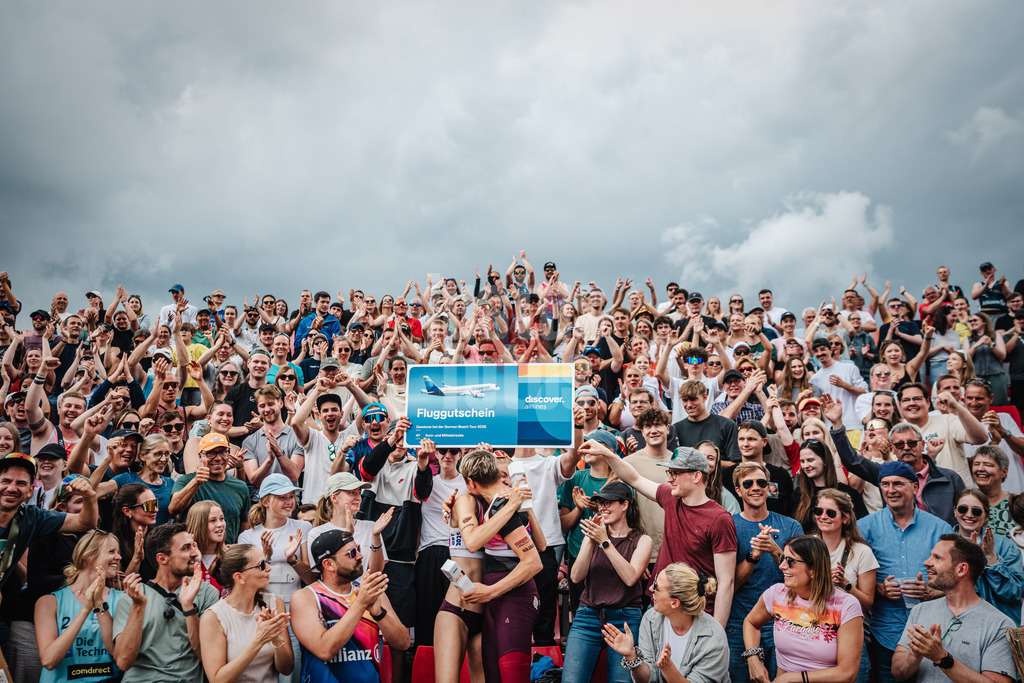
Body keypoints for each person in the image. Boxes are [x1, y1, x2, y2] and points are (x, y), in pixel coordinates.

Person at [587, 442, 737, 627]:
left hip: (695, 611)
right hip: (658, 605)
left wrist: (717, 630)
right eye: (669, 473)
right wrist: (606, 453)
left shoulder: (720, 518)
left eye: (676, 473)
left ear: (697, 476)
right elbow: (633, 478)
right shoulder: (670, 497)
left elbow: (726, 582)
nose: (670, 479)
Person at [857, 461, 952, 683]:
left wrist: (930, 591)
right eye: (885, 484)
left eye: (898, 484)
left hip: (933, 632)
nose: (891, 490)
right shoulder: (865, 526)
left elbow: (956, 581)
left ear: (915, 487)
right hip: (885, 631)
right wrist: (878, 588)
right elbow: (850, 578)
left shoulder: (940, 529)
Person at [891, 534, 1017, 683]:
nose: (926, 562)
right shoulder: (920, 610)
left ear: (961, 569)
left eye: (937, 558)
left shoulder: (999, 624)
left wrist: (942, 658)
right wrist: (915, 653)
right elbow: (897, 673)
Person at [290, 529, 410, 682]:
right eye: (351, 553)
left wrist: (379, 614)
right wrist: (361, 604)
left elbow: (403, 643)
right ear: (329, 564)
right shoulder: (307, 597)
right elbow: (325, 650)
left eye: (358, 549)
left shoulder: (371, 592)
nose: (360, 556)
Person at [563, 481, 653, 682]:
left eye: (608, 502)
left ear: (625, 504)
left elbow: (630, 578)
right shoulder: (595, 535)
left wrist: (605, 542)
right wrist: (590, 539)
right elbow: (576, 577)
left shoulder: (641, 540)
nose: (603, 507)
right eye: (600, 503)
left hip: (625, 619)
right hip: (588, 615)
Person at [742, 535, 863, 683]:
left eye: (790, 561)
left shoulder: (846, 605)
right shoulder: (776, 594)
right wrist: (753, 658)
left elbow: (847, 673)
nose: (781, 566)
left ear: (814, 570)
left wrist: (794, 678)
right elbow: (751, 622)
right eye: (783, 559)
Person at [112, 522, 219, 682]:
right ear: (162, 558)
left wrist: (189, 608)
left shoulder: (206, 592)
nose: (194, 553)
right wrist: (138, 607)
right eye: (186, 548)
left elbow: (207, 656)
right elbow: (123, 661)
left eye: (193, 547)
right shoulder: (132, 596)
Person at [727, 461, 804, 683]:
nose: (755, 487)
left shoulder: (790, 526)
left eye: (761, 482)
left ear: (769, 487)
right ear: (738, 490)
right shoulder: (728, 525)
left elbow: (801, 579)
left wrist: (774, 550)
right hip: (740, 625)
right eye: (748, 483)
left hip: (786, 624)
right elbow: (730, 585)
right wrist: (754, 555)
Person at [602, 562, 730, 683]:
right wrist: (631, 656)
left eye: (657, 587)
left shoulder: (713, 637)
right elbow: (648, 678)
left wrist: (668, 668)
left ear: (674, 603)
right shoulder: (651, 619)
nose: (651, 588)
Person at [34, 529, 123, 683]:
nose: (119, 557)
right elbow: (49, 660)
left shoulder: (122, 599)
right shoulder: (49, 602)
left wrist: (99, 604)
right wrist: (86, 609)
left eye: (118, 551)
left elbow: (120, 657)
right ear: (87, 555)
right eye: (111, 551)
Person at [200, 544, 295, 683]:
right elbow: (217, 680)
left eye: (266, 562)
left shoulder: (274, 603)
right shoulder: (214, 617)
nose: (269, 568)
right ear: (239, 577)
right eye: (261, 565)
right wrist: (259, 640)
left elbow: (286, 669)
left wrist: (276, 638)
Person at [950, 488, 1024, 625]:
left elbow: (1013, 592)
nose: (969, 515)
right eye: (963, 509)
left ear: (986, 516)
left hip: (998, 626)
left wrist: (991, 558)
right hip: (957, 624)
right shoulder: (943, 545)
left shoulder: (1005, 546)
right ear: (955, 511)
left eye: (976, 511)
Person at [170, 432, 252, 543]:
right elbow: (173, 509)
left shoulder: (240, 487)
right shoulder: (187, 481)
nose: (218, 458)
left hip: (227, 555)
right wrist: (196, 482)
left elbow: (244, 526)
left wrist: (237, 549)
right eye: (211, 453)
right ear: (200, 456)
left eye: (223, 452)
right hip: (195, 554)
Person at [792, 438, 868, 531]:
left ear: (824, 460)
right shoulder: (799, 494)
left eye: (810, 460)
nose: (805, 465)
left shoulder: (847, 493)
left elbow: (864, 527)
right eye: (802, 461)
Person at [186, 500, 229, 597]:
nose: (220, 524)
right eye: (213, 520)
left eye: (222, 519)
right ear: (198, 525)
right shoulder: (184, 559)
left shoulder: (229, 557)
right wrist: (195, 563)